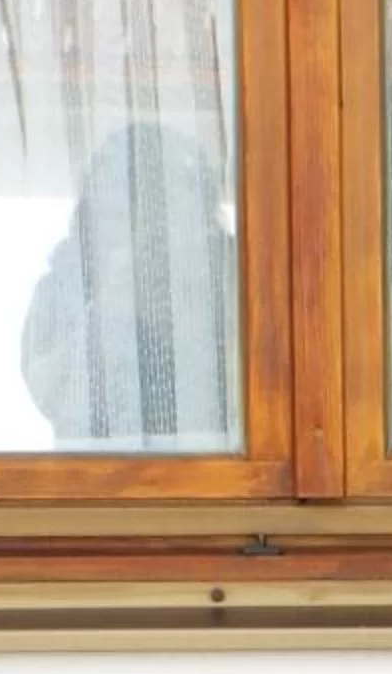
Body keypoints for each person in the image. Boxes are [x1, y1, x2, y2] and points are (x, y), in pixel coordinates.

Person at [20, 123, 240, 451]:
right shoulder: (66, 282)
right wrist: (107, 309)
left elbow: (262, 390)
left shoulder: (229, 276)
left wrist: (176, 310)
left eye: (157, 213)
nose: (140, 232)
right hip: (98, 476)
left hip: (218, 473)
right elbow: (47, 390)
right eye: (117, 211)